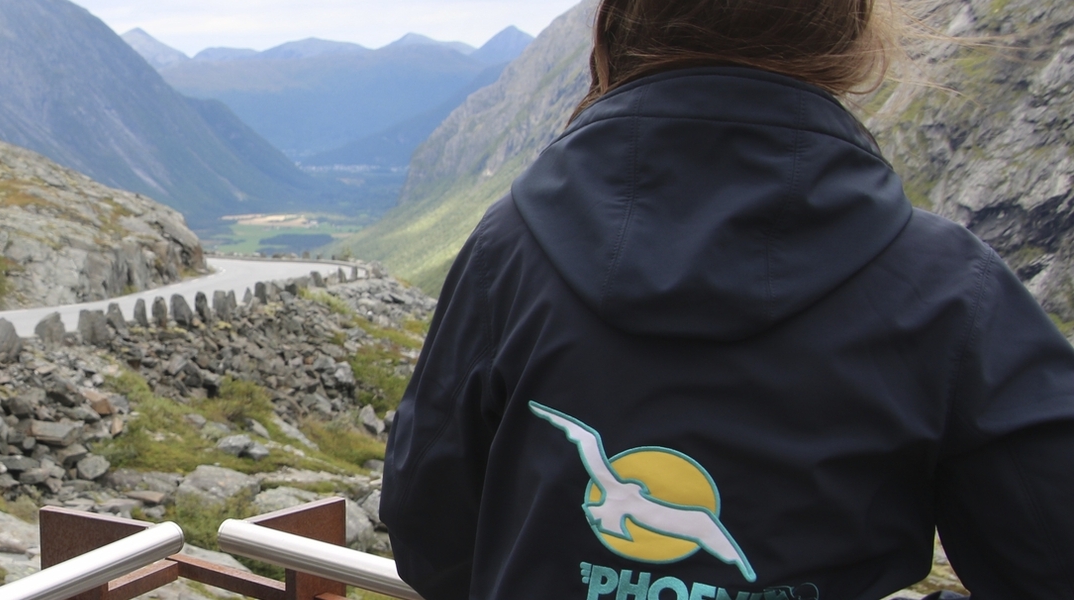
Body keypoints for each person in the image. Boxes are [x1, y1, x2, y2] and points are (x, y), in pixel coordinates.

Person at [378, 1, 1074, 599]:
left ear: (617, 27)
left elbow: (427, 530)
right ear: (850, 35)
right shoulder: (950, 289)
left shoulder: (508, 247)